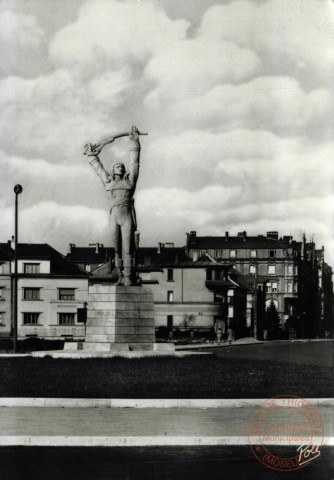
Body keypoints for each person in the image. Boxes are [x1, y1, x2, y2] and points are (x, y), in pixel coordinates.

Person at [84, 126, 140, 286]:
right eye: (117, 166)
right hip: (114, 216)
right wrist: (91, 155)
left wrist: (134, 142)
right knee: (116, 249)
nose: (120, 167)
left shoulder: (130, 182)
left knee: (128, 248)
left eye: (122, 167)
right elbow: (98, 168)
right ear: (113, 170)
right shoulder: (108, 182)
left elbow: (135, 163)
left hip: (126, 215)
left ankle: (129, 276)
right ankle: (120, 275)